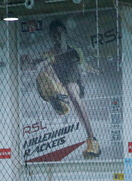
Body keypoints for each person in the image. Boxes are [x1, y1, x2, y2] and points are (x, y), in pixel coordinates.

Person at [35, 20, 100, 158]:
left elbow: (84, 65)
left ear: (65, 33)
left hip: (74, 83)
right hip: (58, 84)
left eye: (59, 33)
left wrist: (96, 71)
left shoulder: (75, 50)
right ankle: (58, 97)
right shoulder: (49, 53)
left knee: (71, 90)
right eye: (54, 35)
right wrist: (38, 62)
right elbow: (40, 64)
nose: (57, 37)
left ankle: (92, 139)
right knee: (45, 69)